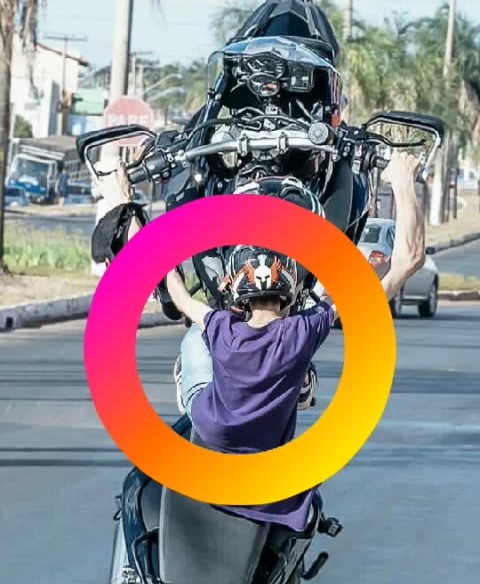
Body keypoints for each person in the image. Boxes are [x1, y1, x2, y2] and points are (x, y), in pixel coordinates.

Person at [94, 150, 424, 531]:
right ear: (289, 290)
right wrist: (403, 181)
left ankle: (189, 382)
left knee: (195, 337)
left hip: (211, 425)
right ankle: (296, 384)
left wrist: (128, 208)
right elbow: (409, 260)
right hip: (265, 462)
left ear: (238, 292)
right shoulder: (301, 332)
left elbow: (180, 296)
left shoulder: (223, 327)